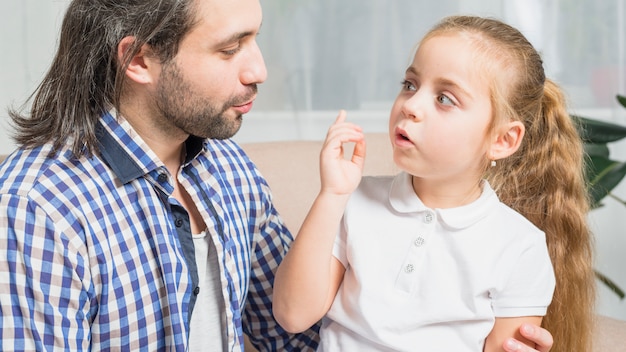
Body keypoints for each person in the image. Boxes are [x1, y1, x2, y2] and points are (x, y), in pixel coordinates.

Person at [0, 0, 556, 350]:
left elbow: (294, 328)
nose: (260, 68)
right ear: (140, 60)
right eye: (230, 48)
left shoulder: (226, 168)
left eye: (255, 37)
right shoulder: (38, 206)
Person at [273, 15, 595, 352]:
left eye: (445, 99)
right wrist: (332, 195)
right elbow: (292, 315)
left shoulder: (520, 247)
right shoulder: (354, 201)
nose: (410, 106)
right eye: (410, 84)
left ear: (502, 140)